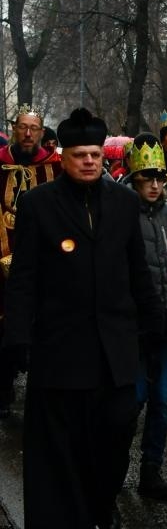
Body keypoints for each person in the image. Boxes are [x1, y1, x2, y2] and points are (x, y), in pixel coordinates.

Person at [2, 107, 161, 529]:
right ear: (64, 157)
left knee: (117, 426)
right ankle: (81, 527)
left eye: (95, 154)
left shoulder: (125, 203)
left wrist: (154, 326)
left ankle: (105, 496)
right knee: (70, 439)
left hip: (117, 342)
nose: (89, 161)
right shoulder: (38, 205)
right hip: (62, 344)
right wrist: (18, 339)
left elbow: (138, 271)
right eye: (79, 155)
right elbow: (25, 277)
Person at [124, 133, 167, 503]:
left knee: (162, 400)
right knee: (132, 400)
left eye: (160, 178)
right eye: (147, 178)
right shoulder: (121, 213)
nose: (156, 186)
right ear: (135, 179)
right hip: (134, 329)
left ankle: (151, 470)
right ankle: (113, 465)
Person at [0, 106, 62, 418]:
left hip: (42, 259)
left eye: (33, 129)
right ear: (13, 128)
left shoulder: (55, 166)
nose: (27, 134)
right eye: (22, 127)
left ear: (41, 133)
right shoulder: (0, 162)